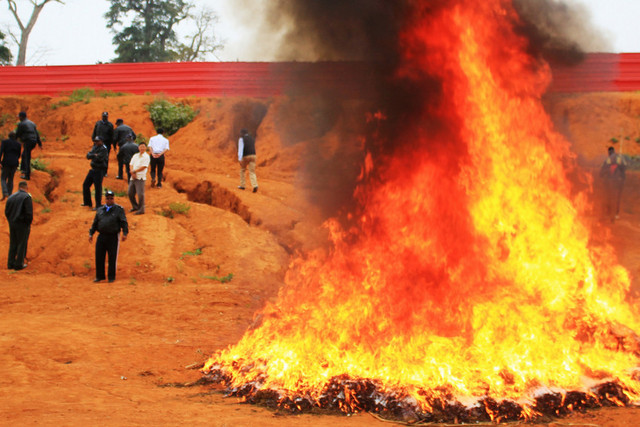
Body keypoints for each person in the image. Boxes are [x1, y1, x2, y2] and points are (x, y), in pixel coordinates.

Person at [89, 190, 128, 283]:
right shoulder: (100, 210)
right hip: (101, 235)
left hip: (113, 236)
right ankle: (99, 276)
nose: (110, 200)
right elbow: (95, 223)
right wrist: (91, 233)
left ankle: (111, 277)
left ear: (114, 198)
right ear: (105, 199)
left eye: (111, 198)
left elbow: (123, 221)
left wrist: (125, 233)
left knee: (112, 256)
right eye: (108, 198)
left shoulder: (119, 209)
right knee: (99, 256)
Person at [5, 181, 33, 270]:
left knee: (13, 243)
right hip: (22, 224)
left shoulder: (11, 197)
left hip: (12, 223)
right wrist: (27, 223)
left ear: (19, 187)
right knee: (22, 243)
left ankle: (10, 263)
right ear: (26, 187)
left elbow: (6, 211)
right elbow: (29, 213)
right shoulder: (26, 197)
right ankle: (19, 264)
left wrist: (10, 220)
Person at [600, 146, 627, 221]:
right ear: (614, 151)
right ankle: (615, 213)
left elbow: (602, 171)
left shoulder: (607, 160)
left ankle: (609, 212)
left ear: (609, 152)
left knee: (609, 197)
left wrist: (602, 175)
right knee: (617, 197)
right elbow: (624, 168)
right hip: (619, 182)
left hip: (610, 181)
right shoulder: (620, 158)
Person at [83, 136, 109, 210]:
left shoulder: (103, 148)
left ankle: (98, 205)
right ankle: (87, 203)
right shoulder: (95, 147)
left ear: (101, 141)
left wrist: (93, 155)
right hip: (93, 169)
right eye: (95, 141)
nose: (96, 142)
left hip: (99, 170)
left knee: (98, 188)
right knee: (85, 185)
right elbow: (88, 155)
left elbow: (100, 158)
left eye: (98, 141)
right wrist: (94, 155)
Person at [15, 111, 42, 180]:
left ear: (21, 117)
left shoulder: (21, 124)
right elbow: (37, 134)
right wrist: (39, 143)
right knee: (24, 155)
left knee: (27, 157)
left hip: (28, 141)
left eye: (19, 117)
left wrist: (13, 141)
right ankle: (23, 169)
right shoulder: (32, 123)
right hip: (34, 141)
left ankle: (27, 175)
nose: (19, 118)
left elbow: (18, 133)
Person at [128, 141, 150, 215]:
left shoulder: (146, 156)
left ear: (145, 148)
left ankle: (141, 209)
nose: (142, 148)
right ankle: (135, 206)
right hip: (133, 176)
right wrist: (132, 172)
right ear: (138, 148)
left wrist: (134, 171)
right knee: (130, 193)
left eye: (143, 147)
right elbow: (131, 164)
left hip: (140, 177)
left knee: (140, 194)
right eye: (141, 147)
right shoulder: (135, 155)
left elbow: (144, 166)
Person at [91, 112, 114, 176]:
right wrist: (93, 140)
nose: (104, 117)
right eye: (103, 116)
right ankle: (95, 169)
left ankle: (104, 172)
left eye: (105, 116)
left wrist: (110, 143)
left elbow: (112, 135)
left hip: (106, 144)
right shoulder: (98, 123)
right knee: (95, 156)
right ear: (101, 116)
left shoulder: (110, 125)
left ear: (107, 117)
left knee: (105, 158)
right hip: (97, 143)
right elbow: (94, 132)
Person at [0, 131, 22, 200]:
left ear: (8, 136)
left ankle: (5, 193)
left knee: (3, 178)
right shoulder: (18, 144)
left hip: (6, 162)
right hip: (15, 163)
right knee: (11, 179)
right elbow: (19, 154)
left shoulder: (5, 142)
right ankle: (10, 195)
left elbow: (1, 152)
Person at [238, 128, 258, 193]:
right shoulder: (252, 139)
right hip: (253, 155)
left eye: (241, 133)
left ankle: (242, 185)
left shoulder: (241, 139)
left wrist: (239, 159)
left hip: (246, 156)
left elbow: (240, 149)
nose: (240, 134)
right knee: (252, 172)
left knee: (242, 170)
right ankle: (255, 185)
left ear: (243, 133)